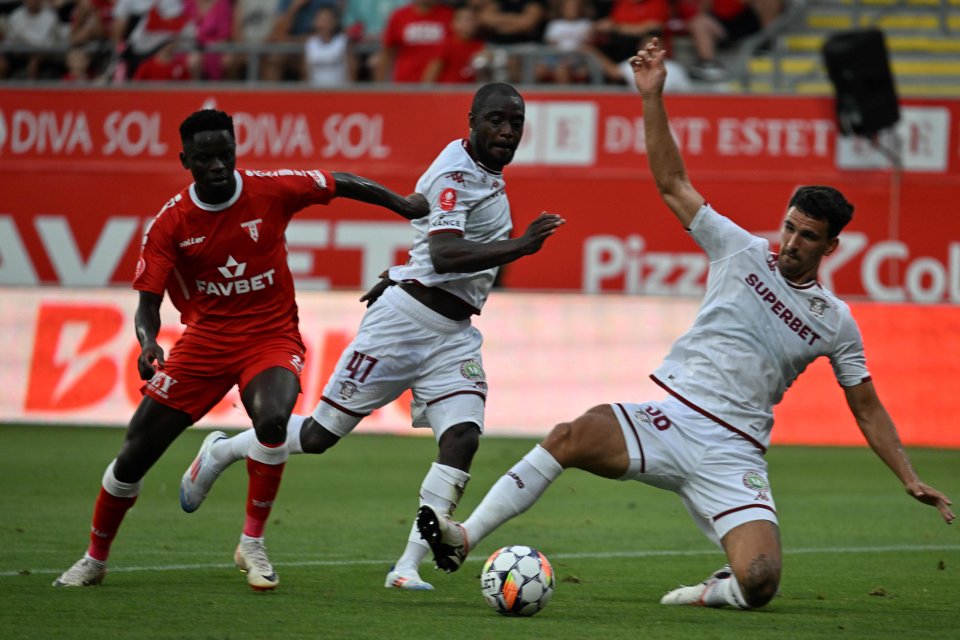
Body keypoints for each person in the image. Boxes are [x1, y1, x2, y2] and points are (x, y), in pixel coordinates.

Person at [416, 38, 955, 611]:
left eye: (807, 237)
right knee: (570, 434)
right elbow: (673, 183)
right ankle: (464, 536)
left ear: (831, 245)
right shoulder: (740, 250)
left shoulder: (836, 321)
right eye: (790, 227)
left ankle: (712, 592)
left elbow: (866, 404)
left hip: (735, 452)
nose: (791, 243)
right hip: (669, 419)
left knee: (763, 581)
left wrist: (908, 476)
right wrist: (652, 97)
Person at [178, 83, 566, 591]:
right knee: (319, 436)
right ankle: (223, 451)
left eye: (515, 123)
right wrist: (521, 246)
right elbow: (447, 255)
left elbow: (433, 253)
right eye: (496, 120)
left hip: (453, 333)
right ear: (471, 119)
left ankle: (406, 567)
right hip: (403, 326)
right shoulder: (454, 175)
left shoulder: (485, 174)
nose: (507, 131)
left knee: (463, 437)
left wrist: (407, 267)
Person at [52, 108, 428, 591]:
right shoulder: (170, 224)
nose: (217, 166)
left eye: (225, 154)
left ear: (235, 150)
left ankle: (252, 543)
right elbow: (148, 304)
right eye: (205, 158)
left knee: (273, 419)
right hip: (204, 344)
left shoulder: (270, 189)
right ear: (185, 159)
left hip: (271, 337)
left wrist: (403, 204)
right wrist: (148, 344)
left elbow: (338, 182)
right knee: (134, 455)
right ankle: (94, 559)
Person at [680, 0, 782, 82]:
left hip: (751, 19)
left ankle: (765, 39)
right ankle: (708, 63)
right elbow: (703, 9)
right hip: (723, 21)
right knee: (698, 23)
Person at [375, 0, 453, 83]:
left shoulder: (449, 15)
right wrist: (379, 84)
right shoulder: (399, 15)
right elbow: (387, 52)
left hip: (440, 84)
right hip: (405, 83)